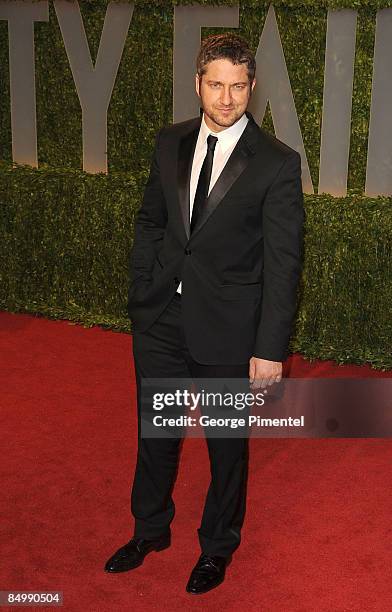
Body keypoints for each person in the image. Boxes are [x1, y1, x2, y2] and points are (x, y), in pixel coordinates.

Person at [105, 32, 304, 595]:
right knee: (157, 434)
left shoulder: (275, 164)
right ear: (197, 84)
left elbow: (284, 264)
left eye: (238, 87)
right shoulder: (170, 142)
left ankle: (217, 548)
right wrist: (143, 286)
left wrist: (269, 350)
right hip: (161, 322)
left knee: (224, 448)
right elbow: (151, 222)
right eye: (215, 85)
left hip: (229, 332)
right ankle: (149, 531)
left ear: (252, 87)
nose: (226, 98)